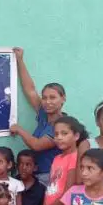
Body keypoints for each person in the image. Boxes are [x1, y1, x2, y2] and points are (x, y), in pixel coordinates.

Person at [10, 47, 66, 186]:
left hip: (50, 176)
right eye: (45, 97)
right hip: (36, 173)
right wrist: (20, 60)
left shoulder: (62, 126)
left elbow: (37, 145)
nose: (48, 102)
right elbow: (30, 90)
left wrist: (19, 129)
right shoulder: (43, 113)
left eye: (53, 97)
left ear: (63, 99)